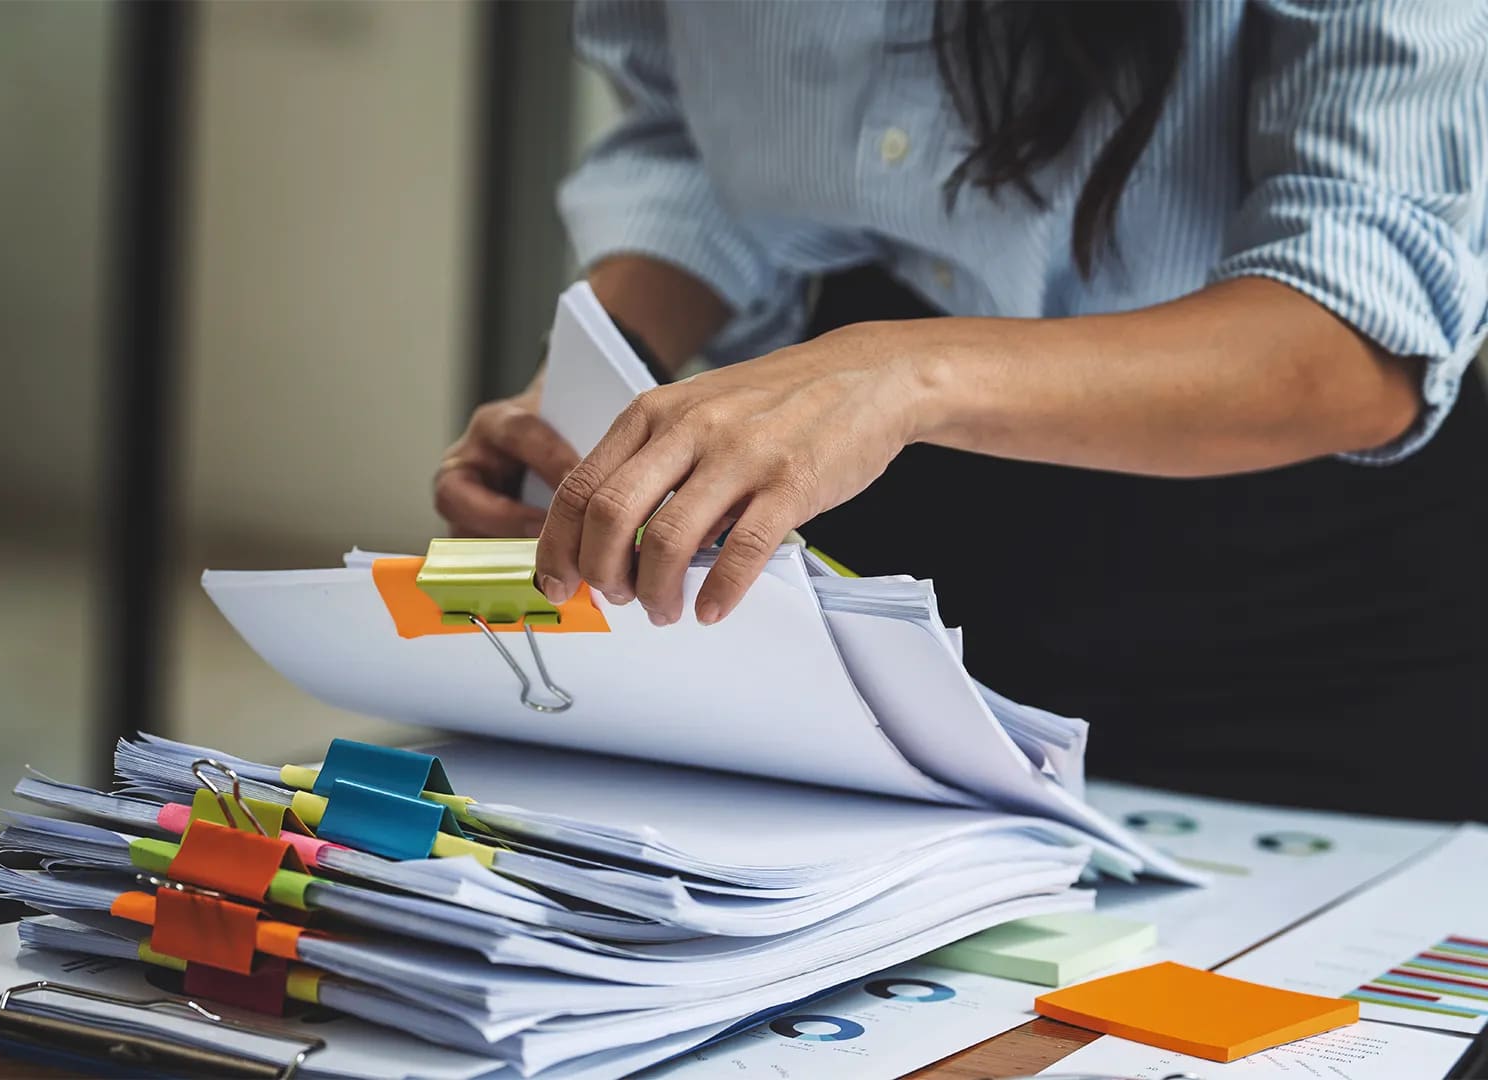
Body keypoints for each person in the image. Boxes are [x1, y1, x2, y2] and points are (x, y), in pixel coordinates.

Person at [434, 1, 1488, 820]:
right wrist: (606, 388)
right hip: (872, 532)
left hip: (1301, 579)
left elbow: (1364, 332)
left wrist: (900, 379)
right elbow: (690, 142)